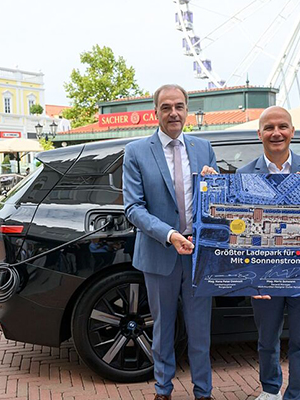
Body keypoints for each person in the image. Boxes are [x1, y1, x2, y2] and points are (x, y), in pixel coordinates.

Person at [123, 84, 217, 400]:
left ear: (187, 110)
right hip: (160, 251)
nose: (173, 113)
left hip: (198, 254)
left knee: (200, 330)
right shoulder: (136, 151)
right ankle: (163, 389)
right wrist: (170, 235)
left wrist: (213, 182)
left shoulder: (204, 148)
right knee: (163, 329)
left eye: (179, 106)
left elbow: (218, 201)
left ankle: (203, 392)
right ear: (156, 112)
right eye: (166, 107)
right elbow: (133, 207)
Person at [236, 106, 300, 400]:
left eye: (283, 127)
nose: (277, 133)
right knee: (266, 339)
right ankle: (270, 390)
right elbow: (238, 231)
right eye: (270, 127)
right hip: (265, 275)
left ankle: (297, 395)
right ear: (259, 134)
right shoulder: (244, 173)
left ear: (292, 132)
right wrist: (251, 277)